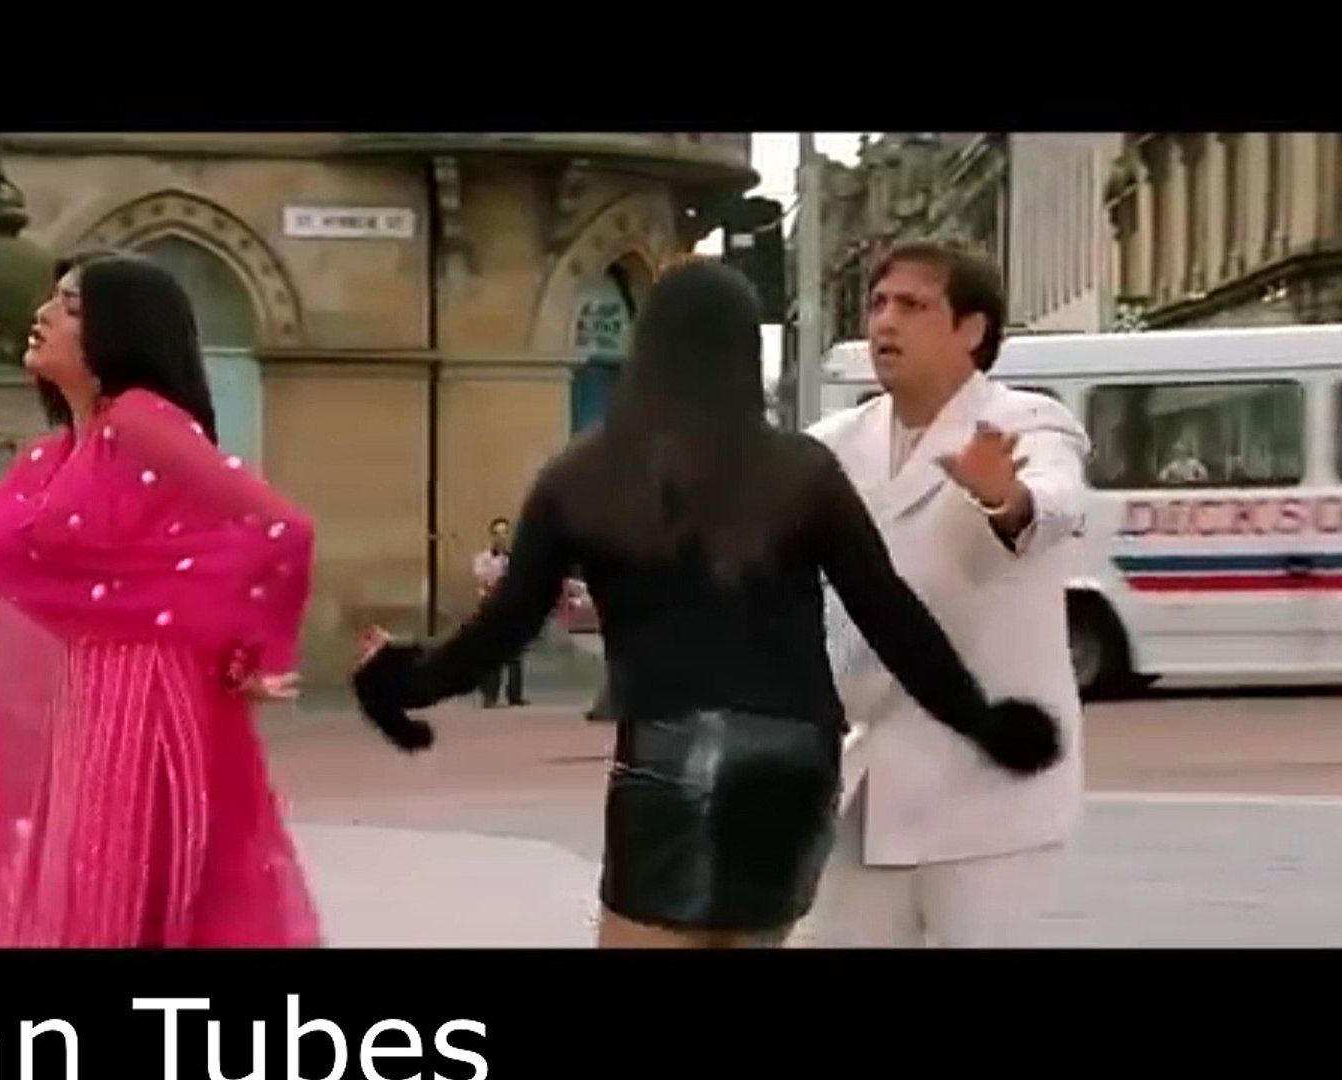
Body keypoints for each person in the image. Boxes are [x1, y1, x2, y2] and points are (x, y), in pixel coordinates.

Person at [350, 257, 1063, 948]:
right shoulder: (802, 471)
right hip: (794, 760)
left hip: (668, 756)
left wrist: (399, 683)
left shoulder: (582, 477)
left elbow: (502, 629)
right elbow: (892, 617)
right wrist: (990, 724)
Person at [0, 249, 324, 948]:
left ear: (117, 333)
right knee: (93, 906)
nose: (42, 314)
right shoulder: (54, 459)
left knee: (131, 909)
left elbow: (281, 529)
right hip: (92, 699)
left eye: (70, 307)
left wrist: (254, 653)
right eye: (52, 300)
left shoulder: (141, 422)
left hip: (153, 703)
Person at [808, 239, 1091, 948]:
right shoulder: (833, 444)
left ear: (971, 329)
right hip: (867, 788)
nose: (885, 322)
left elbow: (1057, 504)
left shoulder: (1027, 422)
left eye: (912, 305)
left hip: (987, 789)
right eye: (878, 303)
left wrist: (1007, 498)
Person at [472, 516, 527, 707]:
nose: (501, 537)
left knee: (515, 653)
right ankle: (490, 695)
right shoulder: (483, 559)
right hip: (490, 606)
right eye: (498, 533)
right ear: (492, 536)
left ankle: (515, 695)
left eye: (505, 533)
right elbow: (486, 581)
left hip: (510, 607)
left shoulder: (514, 559)